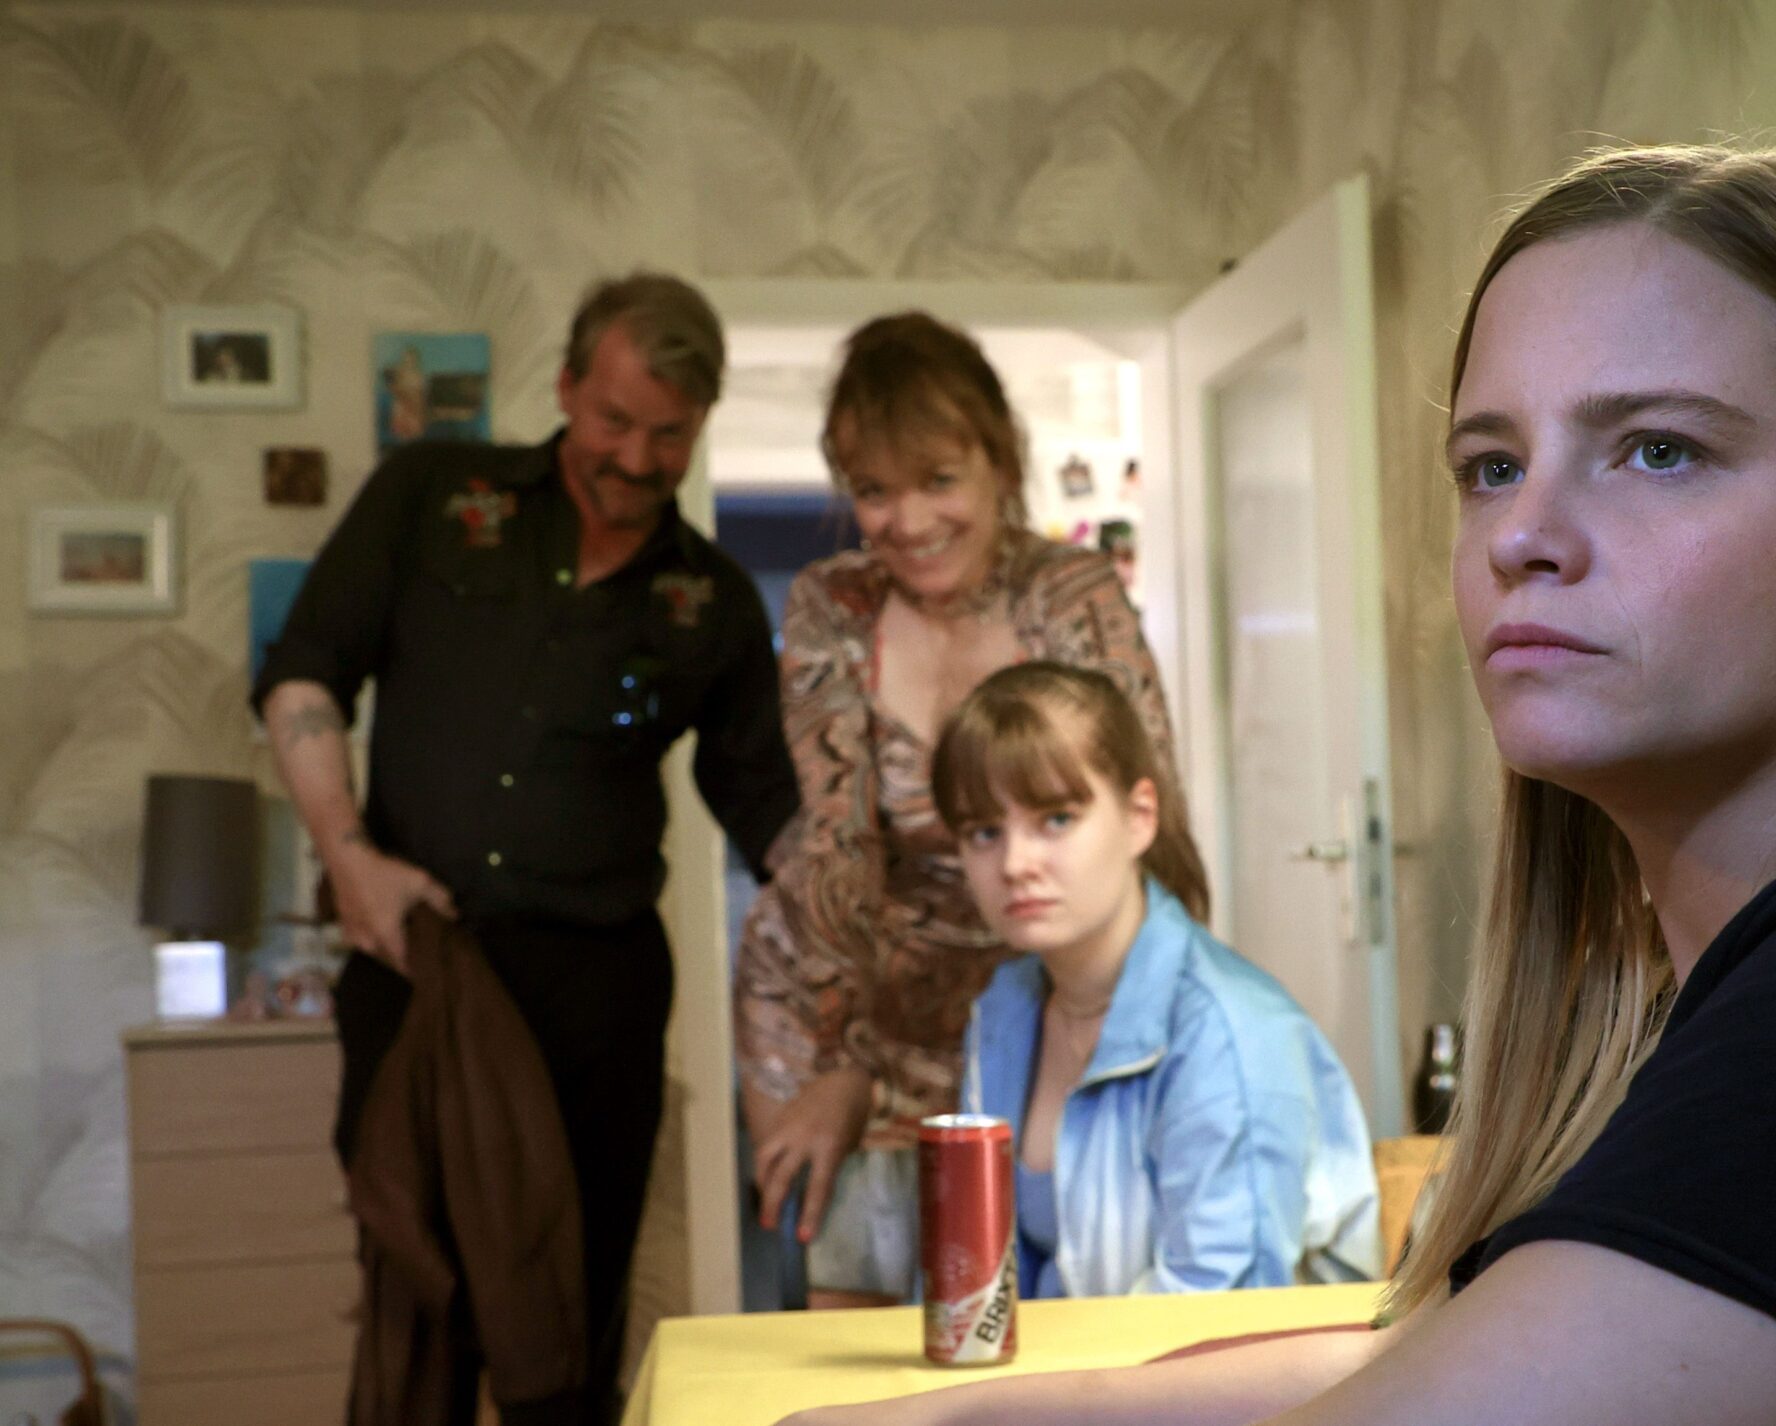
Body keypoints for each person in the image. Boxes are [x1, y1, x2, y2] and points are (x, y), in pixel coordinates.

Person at [780, 144, 1776, 1426]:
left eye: (1657, 450)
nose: (1523, 533)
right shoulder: (1722, 991)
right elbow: (1414, 1362)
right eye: (1492, 464)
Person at [255, 272, 800, 1425]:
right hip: (417, 964)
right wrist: (349, 860)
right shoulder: (430, 495)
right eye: (614, 420)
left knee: (567, 1318)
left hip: (594, 999)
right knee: (416, 1298)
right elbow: (304, 672)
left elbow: (770, 809)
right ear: (564, 387)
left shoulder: (710, 600)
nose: (637, 459)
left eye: (669, 435)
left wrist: (879, 911)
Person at [735, 312, 1183, 1308]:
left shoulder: (1069, 593)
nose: (907, 521)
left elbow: (1149, 825)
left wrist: (1156, 1021)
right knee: (853, 1304)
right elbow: (839, 842)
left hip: (1036, 994)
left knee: (1034, 1302)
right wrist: (846, 1063)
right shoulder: (831, 604)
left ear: (999, 461)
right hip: (845, 994)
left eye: (938, 479)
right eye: (874, 491)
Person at [937, 663, 1379, 1298]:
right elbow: (978, 1281)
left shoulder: (1227, 1032)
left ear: (1139, 817)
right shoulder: (1004, 1011)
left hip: (1241, 1362)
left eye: (1056, 819)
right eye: (984, 832)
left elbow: (1219, 1320)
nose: (1015, 863)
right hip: (1065, 1361)